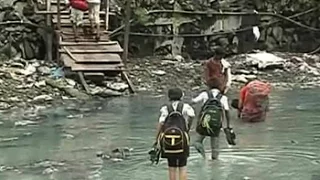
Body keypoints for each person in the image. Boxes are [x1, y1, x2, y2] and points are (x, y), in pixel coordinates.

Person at [155, 88, 195, 180]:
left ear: (169, 96)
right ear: (181, 96)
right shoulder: (186, 107)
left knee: (171, 167)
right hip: (183, 139)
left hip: (168, 140)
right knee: (183, 166)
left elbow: (161, 123)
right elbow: (192, 115)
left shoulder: (165, 108)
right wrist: (188, 127)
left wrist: (156, 139)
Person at [191, 80, 233, 160]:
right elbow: (227, 112)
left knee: (197, 142)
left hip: (204, 123)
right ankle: (215, 163)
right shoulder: (223, 97)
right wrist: (228, 125)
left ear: (209, 86)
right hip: (216, 124)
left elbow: (193, 102)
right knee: (215, 149)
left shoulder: (204, 94)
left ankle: (204, 158)